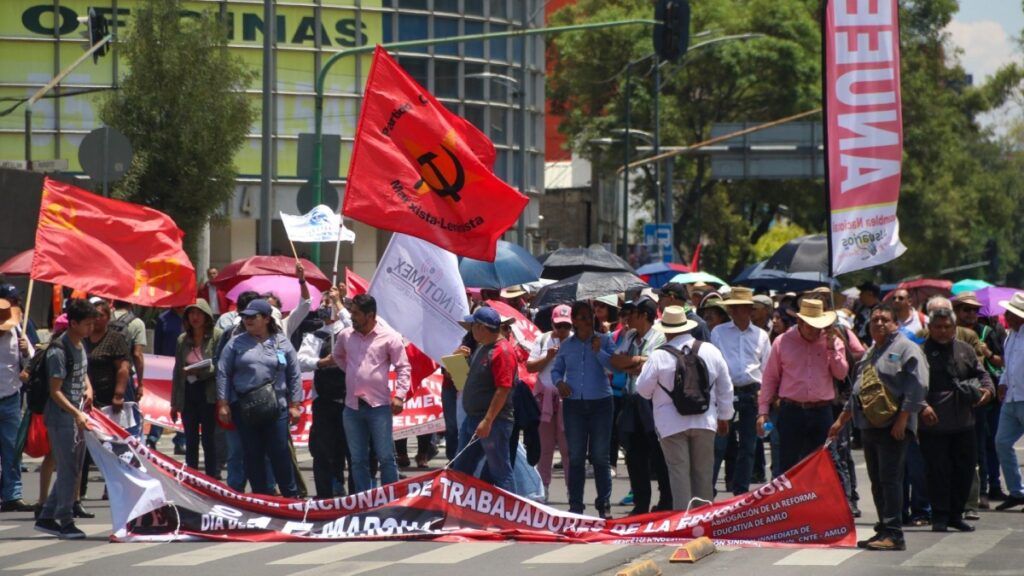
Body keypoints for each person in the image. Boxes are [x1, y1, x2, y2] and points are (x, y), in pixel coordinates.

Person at [829, 303, 928, 551]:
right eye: (875, 320)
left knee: (891, 480)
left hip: (893, 426)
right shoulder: (872, 351)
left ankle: (895, 534)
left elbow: (917, 387)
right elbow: (857, 389)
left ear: (895, 324)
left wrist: (904, 420)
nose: (880, 324)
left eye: (885, 320)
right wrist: (842, 419)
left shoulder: (906, 348)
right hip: (869, 425)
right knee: (877, 480)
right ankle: (883, 529)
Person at [636, 305, 734, 510]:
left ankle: (684, 521)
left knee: (678, 472)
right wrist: (724, 416)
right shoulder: (710, 350)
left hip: (670, 423)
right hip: (705, 419)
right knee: (703, 473)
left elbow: (643, 390)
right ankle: (703, 521)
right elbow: (726, 386)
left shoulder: (658, 355)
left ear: (666, 330)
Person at [216, 299, 303, 497]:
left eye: (253, 316)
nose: (247, 320)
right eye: (245, 316)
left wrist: (295, 404)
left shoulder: (282, 342)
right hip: (245, 408)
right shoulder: (235, 342)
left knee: (279, 452)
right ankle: (260, 497)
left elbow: (294, 374)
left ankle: (291, 497)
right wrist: (223, 404)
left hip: (277, 407)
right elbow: (223, 372)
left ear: (266, 318)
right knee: (252, 454)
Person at [919, 307, 994, 532]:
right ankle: (940, 516)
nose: (942, 331)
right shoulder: (920, 352)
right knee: (938, 472)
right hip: (933, 426)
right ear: (930, 328)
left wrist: (987, 391)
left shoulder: (965, 350)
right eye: (938, 327)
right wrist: (922, 406)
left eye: (947, 327)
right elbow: (911, 385)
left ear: (954, 328)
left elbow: (983, 375)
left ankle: (956, 514)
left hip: (964, 422)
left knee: (965, 469)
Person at [758, 299, 849, 472]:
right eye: (810, 325)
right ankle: (789, 499)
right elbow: (770, 378)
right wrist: (763, 412)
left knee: (821, 465)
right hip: (792, 411)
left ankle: (817, 500)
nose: (815, 330)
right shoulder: (782, 341)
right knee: (789, 466)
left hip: (821, 411)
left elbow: (841, 374)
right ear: (800, 322)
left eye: (818, 326)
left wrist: (832, 349)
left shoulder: (833, 341)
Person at [332, 294, 411, 493]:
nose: (352, 317)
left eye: (356, 314)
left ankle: (391, 500)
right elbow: (338, 357)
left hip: (379, 407)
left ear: (370, 315)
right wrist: (354, 373)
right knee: (357, 459)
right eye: (351, 313)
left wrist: (400, 395)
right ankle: (363, 502)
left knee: (385, 457)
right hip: (352, 407)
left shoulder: (389, 337)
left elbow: (403, 367)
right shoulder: (345, 335)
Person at [34, 299, 96, 540]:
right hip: (62, 417)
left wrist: (88, 387)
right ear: (73, 323)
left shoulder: (80, 345)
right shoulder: (59, 350)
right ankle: (65, 519)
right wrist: (77, 413)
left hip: (76, 415)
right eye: (88, 324)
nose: (92, 328)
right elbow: (55, 391)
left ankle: (48, 517)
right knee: (69, 470)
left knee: (74, 468)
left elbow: (81, 372)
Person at [550, 301, 616, 518]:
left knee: (600, 456)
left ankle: (603, 503)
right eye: (584, 317)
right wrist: (559, 382)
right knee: (576, 456)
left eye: (590, 316)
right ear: (575, 321)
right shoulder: (567, 345)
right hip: (574, 405)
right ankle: (576, 505)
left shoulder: (604, 340)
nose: (588, 320)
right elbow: (557, 370)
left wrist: (600, 352)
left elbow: (614, 367)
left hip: (601, 403)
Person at [610, 297, 672, 515]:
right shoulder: (629, 336)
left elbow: (654, 364)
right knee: (633, 454)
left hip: (652, 401)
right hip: (630, 400)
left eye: (633, 313)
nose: (628, 318)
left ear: (644, 315)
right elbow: (615, 361)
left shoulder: (660, 336)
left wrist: (633, 362)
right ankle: (641, 503)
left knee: (659, 452)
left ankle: (666, 501)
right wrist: (636, 362)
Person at [710, 287, 771, 497]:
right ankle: (706, 493)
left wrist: (764, 397)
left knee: (748, 446)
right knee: (718, 445)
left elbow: (767, 369)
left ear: (749, 310)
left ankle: (741, 493)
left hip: (751, 393)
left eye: (738, 308)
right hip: (726, 392)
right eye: (732, 308)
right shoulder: (719, 332)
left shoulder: (762, 336)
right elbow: (714, 366)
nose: (734, 312)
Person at [453, 307, 517, 491]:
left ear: (481, 327)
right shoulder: (484, 348)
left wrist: (488, 420)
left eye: (473, 325)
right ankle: (463, 513)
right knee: (462, 469)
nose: (470, 329)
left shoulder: (501, 351)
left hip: (492, 422)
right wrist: (457, 360)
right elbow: (462, 381)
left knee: (500, 472)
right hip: (475, 419)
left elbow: (503, 389)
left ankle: (509, 516)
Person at [954, 292, 1008, 505]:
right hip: (962, 397)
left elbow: (1001, 361)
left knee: (989, 443)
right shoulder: (950, 331)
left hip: (987, 397)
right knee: (972, 445)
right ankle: (977, 489)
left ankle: (989, 487)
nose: (971, 314)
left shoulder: (988, 331)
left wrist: (987, 353)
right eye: (966, 309)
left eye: (974, 310)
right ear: (957, 311)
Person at [298, 285, 352, 498]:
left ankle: (355, 494)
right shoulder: (315, 335)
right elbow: (301, 360)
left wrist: (339, 302)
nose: (325, 307)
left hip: (349, 400)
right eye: (323, 303)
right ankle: (324, 495)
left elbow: (351, 325)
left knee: (350, 450)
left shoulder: (347, 331)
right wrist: (320, 362)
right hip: (324, 402)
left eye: (328, 303)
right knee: (322, 451)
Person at [78, 299, 131, 510]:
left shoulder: (115, 339)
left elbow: (123, 368)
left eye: (101, 315)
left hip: (108, 400)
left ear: (108, 317)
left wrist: (119, 394)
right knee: (83, 448)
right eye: (94, 316)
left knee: (110, 446)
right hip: (85, 399)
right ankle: (78, 492)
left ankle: (113, 488)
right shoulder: (82, 339)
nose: (97, 320)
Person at [170, 299, 222, 478]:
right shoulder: (182, 339)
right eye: (191, 313)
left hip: (209, 393)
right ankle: (192, 478)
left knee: (209, 439)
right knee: (191, 438)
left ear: (207, 316)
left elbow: (221, 366)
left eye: (199, 313)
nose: (195, 317)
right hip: (188, 393)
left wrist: (202, 371)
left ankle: (212, 478)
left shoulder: (217, 335)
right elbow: (177, 371)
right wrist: (174, 403)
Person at [526, 304, 572, 501]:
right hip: (544, 398)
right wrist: (548, 356)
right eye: (559, 326)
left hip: (567, 399)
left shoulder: (575, 341)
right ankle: (543, 488)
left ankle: (573, 489)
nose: (562, 330)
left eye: (566, 326)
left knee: (567, 448)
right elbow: (530, 366)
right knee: (545, 447)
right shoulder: (542, 339)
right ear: (552, 323)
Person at [0, 298, 33, 512]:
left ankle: (13, 495)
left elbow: (33, 362)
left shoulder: (17, 333)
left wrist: (26, 354)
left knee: (13, 449)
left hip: (11, 398)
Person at [994, 293, 1024, 511]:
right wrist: (1003, 382)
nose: (1005, 315)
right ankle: (1017, 491)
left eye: (1010, 312)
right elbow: (1008, 365)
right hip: (1012, 398)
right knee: (1002, 442)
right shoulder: (1009, 336)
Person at [852, 281, 881, 346]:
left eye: (862, 293)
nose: (860, 295)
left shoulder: (881, 312)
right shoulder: (861, 308)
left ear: (870, 294)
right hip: (856, 345)